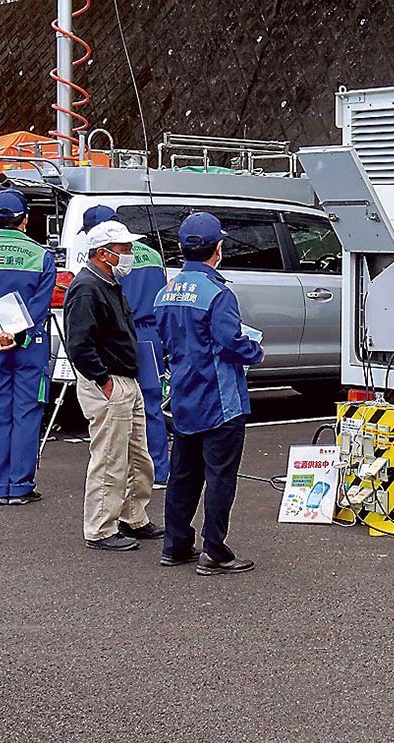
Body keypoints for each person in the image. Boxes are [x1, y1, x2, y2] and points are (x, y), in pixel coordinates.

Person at [154, 212, 263, 574]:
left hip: (184, 396)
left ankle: (175, 544)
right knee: (219, 477)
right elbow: (231, 342)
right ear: (218, 249)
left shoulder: (166, 291)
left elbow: (165, 341)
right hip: (221, 401)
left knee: (183, 475)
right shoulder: (218, 293)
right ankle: (214, 550)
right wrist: (255, 350)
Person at [64, 219, 163, 551]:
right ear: (104, 254)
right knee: (109, 458)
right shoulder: (87, 287)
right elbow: (79, 343)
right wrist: (103, 380)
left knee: (137, 455)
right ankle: (100, 529)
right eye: (124, 249)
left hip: (123, 379)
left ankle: (133, 516)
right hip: (109, 381)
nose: (130, 254)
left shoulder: (106, 282)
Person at [79, 205, 170, 488]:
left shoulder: (106, 262)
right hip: (151, 334)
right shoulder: (153, 254)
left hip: (120, 338)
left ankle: (127, 473)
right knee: (151, 407)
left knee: (118, 409)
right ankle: (159, 471)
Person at [0, 189, 54, 506]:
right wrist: (14, 333)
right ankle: (20, 485)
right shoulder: (41, 256)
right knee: (26, 412)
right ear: (25, 221)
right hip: (29, 345)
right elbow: (40, 306)